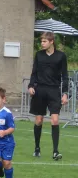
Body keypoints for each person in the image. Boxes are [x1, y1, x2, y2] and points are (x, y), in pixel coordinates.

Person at [28, 32, 68, 160]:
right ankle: (37, 148)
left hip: (54, 91)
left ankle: (55, 152)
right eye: (42, 41)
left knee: (55, 120)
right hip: (40, 90)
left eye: (44, 41)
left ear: (51, 42)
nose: (42, 43)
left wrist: (65, 93)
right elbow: (34, 72)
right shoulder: (39, 55)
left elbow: (65, 76)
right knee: (39, 120)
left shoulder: (61, 56)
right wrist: (31, 86)